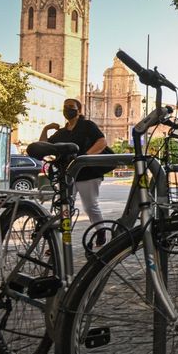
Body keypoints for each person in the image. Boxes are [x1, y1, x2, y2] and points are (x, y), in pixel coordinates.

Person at [40, 98, 109, 246]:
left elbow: (102, 142)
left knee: (90, 206)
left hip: (88, 173)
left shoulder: (87, 125)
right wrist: (46, 129)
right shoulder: (62, 133)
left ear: (79, 110)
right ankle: (62, 243)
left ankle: (101, 230)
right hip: (67, 174)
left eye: (71, 106)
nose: (67, 109)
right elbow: (43, 146)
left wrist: (84, 158)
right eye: (65, 107)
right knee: (65, 208)